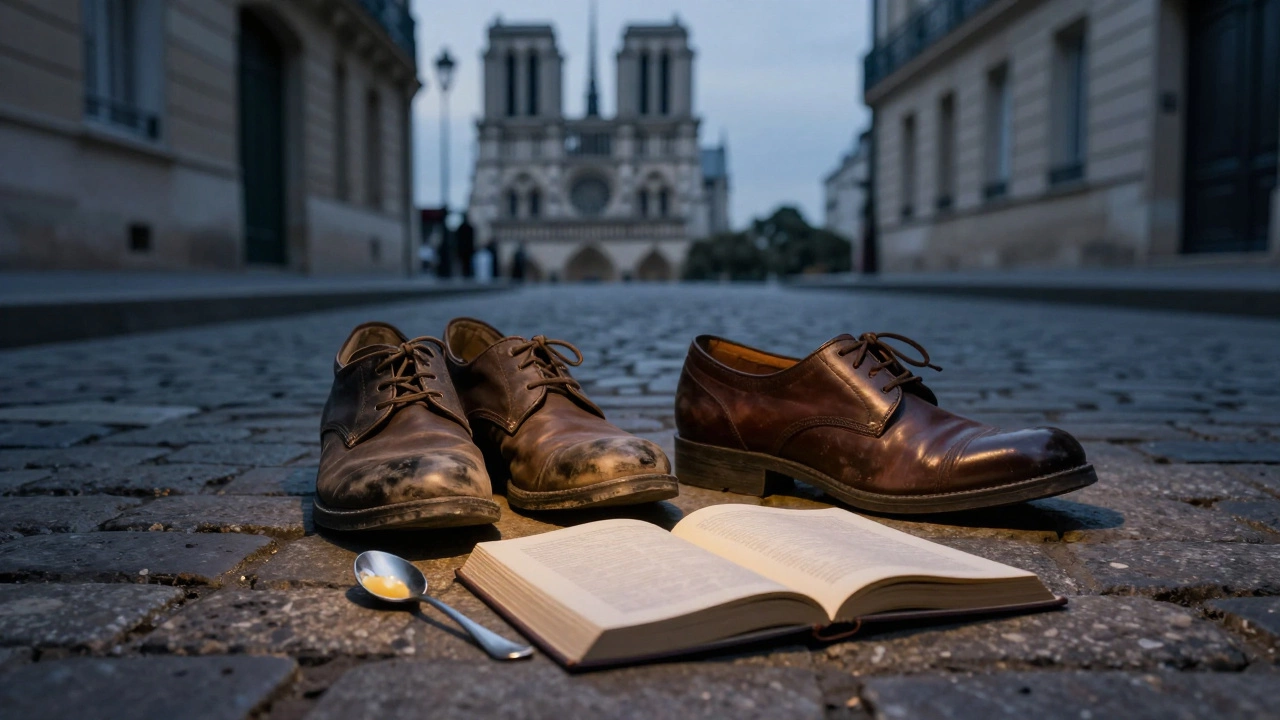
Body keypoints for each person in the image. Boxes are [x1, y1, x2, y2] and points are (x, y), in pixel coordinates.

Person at [456, 213, 476, 278]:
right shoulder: (467, 228)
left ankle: (466, 274)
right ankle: (467, 274)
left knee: (466, 263)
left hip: (465, 249)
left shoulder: (461, 228)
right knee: (466, 263)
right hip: (466, 249)